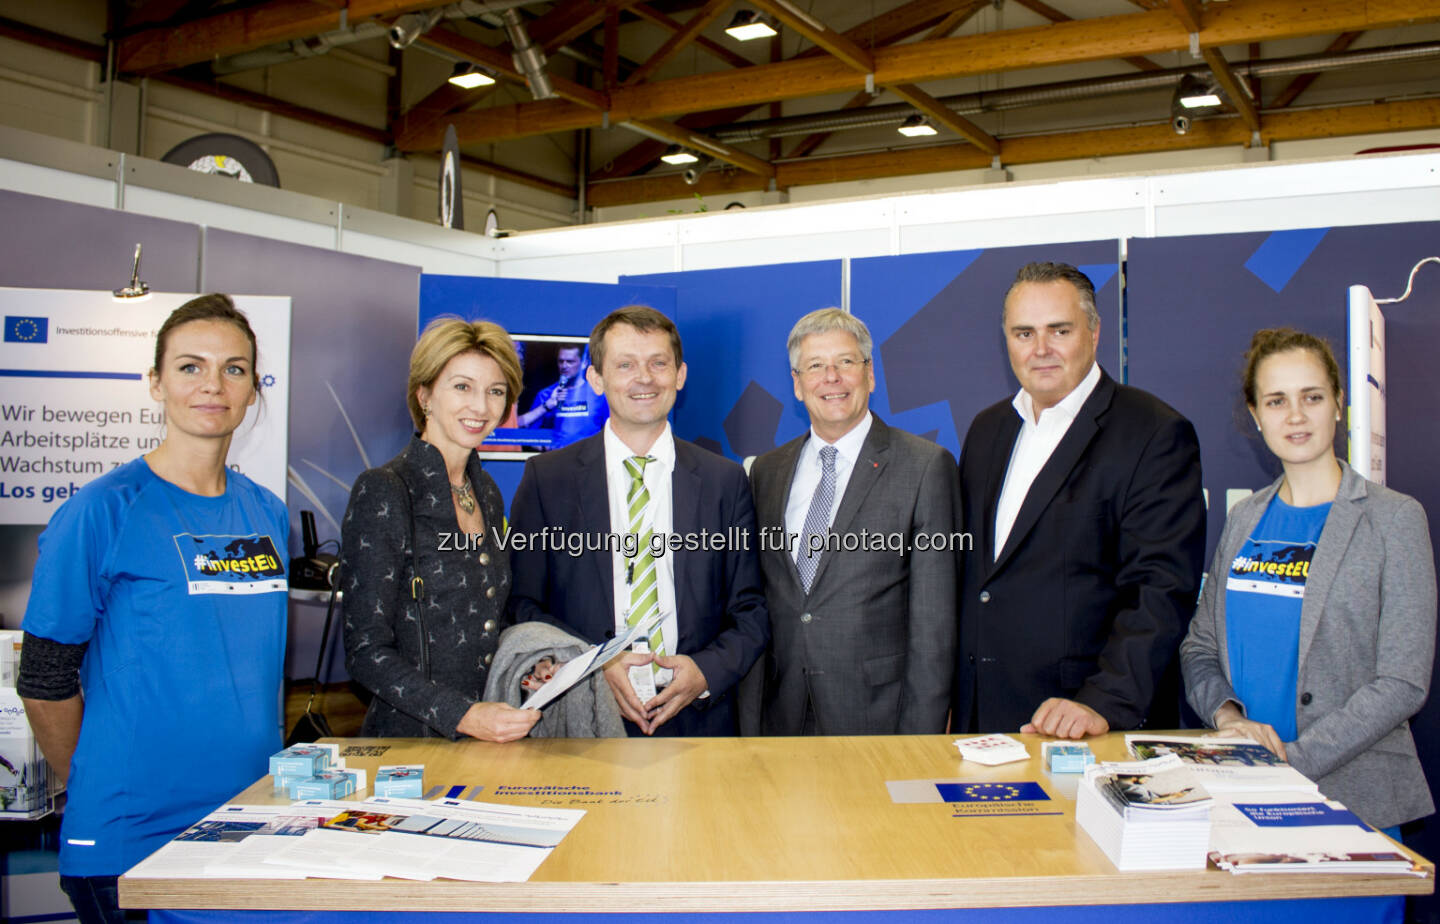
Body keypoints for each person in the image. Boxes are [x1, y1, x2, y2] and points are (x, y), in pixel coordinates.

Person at [17, 294, 289, 924]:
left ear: (253, 391)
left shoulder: (267, 513)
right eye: (190, 367)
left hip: (246, 823)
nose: (212, 385)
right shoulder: (103, 510)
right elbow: (44, 678)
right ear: (156, 382)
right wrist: (94, 781)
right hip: (130, 839)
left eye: (234, 369)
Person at [1181, 328, 1435, 834]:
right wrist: (1228, 718)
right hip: (1243, 796)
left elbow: (1403, 682)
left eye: (1311, 397)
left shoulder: (1394, 519)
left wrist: (1293, 760)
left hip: (1354, 802)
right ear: (1255, 416)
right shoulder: (1244, 519)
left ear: (1339, 404)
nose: (1295, 416)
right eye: (1276, 401)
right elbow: (1199, 648)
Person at [954, 262, 1205, 738]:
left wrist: (1102, 701)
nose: (1041, 349)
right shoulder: (987, 430)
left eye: (1059, 330)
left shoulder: (1153, 432)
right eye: (1024, 333)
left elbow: (1160, 589)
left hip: (1082, 723)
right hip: (981, 720)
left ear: (1094, 333)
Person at [507, 305, 769, 736]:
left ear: (680, 375)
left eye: (658, 363)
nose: (644, 378)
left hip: (698, 719)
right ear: (596, 378)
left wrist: (705, 672)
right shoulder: (546, 479)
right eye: (625, 364)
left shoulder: (725, 481)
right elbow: (522, 604)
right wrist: (594, 664)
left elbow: (751, 608)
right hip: (584, 715)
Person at [748, 308, 959, 735]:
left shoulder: (925, 466)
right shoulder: (766, 472)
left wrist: (921, 737)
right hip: (781, 711)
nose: (831, 378)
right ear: (797, 383)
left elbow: (933, 622)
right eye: (815, 366)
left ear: (870, 374)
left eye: (845, 362)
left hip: (878, 714)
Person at [340, 318, 540, 741]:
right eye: (463, 387)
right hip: (410, 744)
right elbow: (365, 653)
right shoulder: (385, 490)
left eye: (496, 392)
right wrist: (463, 715)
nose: (481, 407)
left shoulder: (485, 490)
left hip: (490, 737)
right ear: (425, 394)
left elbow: (489, 619)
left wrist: (529, 670)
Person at [517, 343, 608, 448]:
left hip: (590, 460)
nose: (564, 366)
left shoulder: (599, 393)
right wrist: (544, 449)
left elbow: (611, 431)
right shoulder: (546, 395)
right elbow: (529, 435)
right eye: (561, 361)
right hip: (556, 461)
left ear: (584, 363)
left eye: (570, 362)